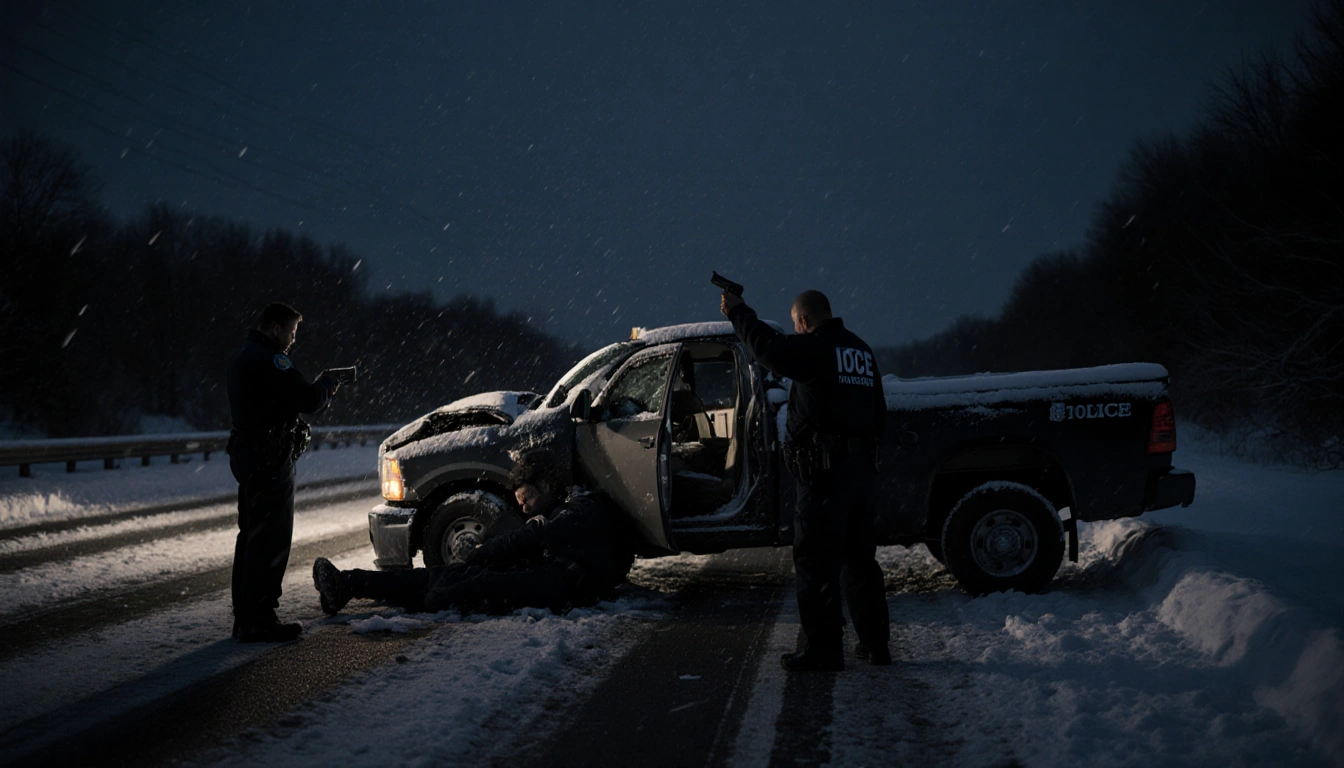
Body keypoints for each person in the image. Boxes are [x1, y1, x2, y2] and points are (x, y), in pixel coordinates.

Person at [721, 288, 891, 671]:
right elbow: (879, 413)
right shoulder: (861, 351)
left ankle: (824, 651)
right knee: (861, 562)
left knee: (816, 564)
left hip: (824, 477)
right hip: (860, 476)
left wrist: (739, 313)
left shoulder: (817, 348)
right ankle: (876, 644)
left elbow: (769, 351)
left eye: (797, 326)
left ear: (803, 321)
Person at [312, 450, 634, 617]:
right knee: (442, 576)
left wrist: (482, 553)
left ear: (547, 487)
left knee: (465, 585)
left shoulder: (582, 510)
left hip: (561, 585)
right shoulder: (566, 510)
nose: (525, 508)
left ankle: (365, 588)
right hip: (552, 576)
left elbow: (535, 536)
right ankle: (347, 584)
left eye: (527, 498)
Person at [227, 302, 339, 642]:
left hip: (249, 456)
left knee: (250, 536)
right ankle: (259, 617)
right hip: (269, 459)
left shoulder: (244, 355)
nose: (292, 340)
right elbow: (305, 398)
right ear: (275, 328)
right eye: (290, 332)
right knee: (270, 539)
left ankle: (246, 614)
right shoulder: (271, 360)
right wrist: (326, 386)